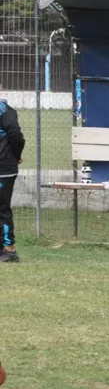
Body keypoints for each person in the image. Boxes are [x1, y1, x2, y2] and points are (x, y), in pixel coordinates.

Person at [0, 96, 25, 263]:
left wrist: (15, 156)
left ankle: (9, 250)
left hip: (3, 169)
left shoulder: (6, 112)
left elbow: (16, 137)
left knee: (1, 209)